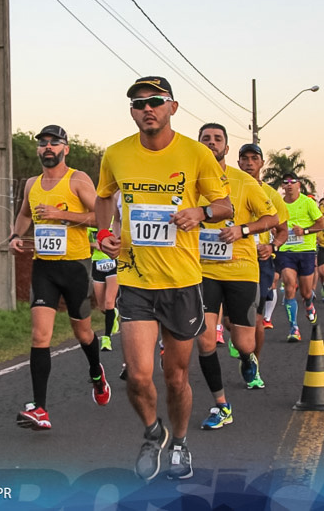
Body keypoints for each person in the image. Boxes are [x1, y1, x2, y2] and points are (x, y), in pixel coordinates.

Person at [95, 76, 232, 481]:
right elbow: (104, 197)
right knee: (138, 375)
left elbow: (223, 205)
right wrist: (104, 234)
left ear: (172, 107)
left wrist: (201, 214)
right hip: (135, 280)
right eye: (138, 103)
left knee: (175, 377)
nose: (146, 108)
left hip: (183, 282)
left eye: (155, 101)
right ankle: (153, 432)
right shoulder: (116, 154)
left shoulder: (195, 153)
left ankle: (180, 442)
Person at [10, 125, 110, 430]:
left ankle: (96, 372)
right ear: (38, 149)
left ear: (66, 148)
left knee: (83, 333)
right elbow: (26, 213)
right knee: (40, 335)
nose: (48, 148)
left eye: (55, 143)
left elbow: (100, 216)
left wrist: (62, 214)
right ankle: (40, 408)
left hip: (76, 267)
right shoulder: (31, 184)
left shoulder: (77, 179)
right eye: (43, 144)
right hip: (44, 268)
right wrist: (16, 233)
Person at [195, 124, 277, 432]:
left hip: (241, 269)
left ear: (226, 149)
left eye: (218, 139)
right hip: (202, 269)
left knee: (243, 342)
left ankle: (247, 360)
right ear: (199, 145)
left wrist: (242, 230)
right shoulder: (189, 179)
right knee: (204, 339)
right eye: (206, 139)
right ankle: (221, 405)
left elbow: (271, 219)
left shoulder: (244, 181)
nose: (212, 143)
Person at [236, 144, 288, 363]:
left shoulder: (271, 195)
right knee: (231, 320)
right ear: (238, 162)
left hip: (260, 261)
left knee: (256, 317)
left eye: (254, 158)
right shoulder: (227, 189)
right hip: (231, 260)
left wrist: (272, 246)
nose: (249, 163)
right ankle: (239, 340)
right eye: (244, 158)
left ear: (261, 163)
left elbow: (283, 231)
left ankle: (253, 364)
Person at [276, 172, 324, 342]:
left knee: (305, 292)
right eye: (286, 182)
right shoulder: (279, 204)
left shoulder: (308, 202)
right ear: (283, 186)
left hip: (306, 250)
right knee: (289, 286)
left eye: (292, 182)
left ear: (298, 185)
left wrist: (304, 231)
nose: (289, 185)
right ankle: (293, 328)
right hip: (286, 250)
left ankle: (309, 304)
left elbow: (321, 224)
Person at [88, 225, 120, 352]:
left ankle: (107, 339)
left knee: (109, 302)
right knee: (102, 307)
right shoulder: (89, 223)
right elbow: (82, 241)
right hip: (97, 263)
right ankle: (113, 313)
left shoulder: (113, 222)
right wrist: (93, 244)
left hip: (113, 262)